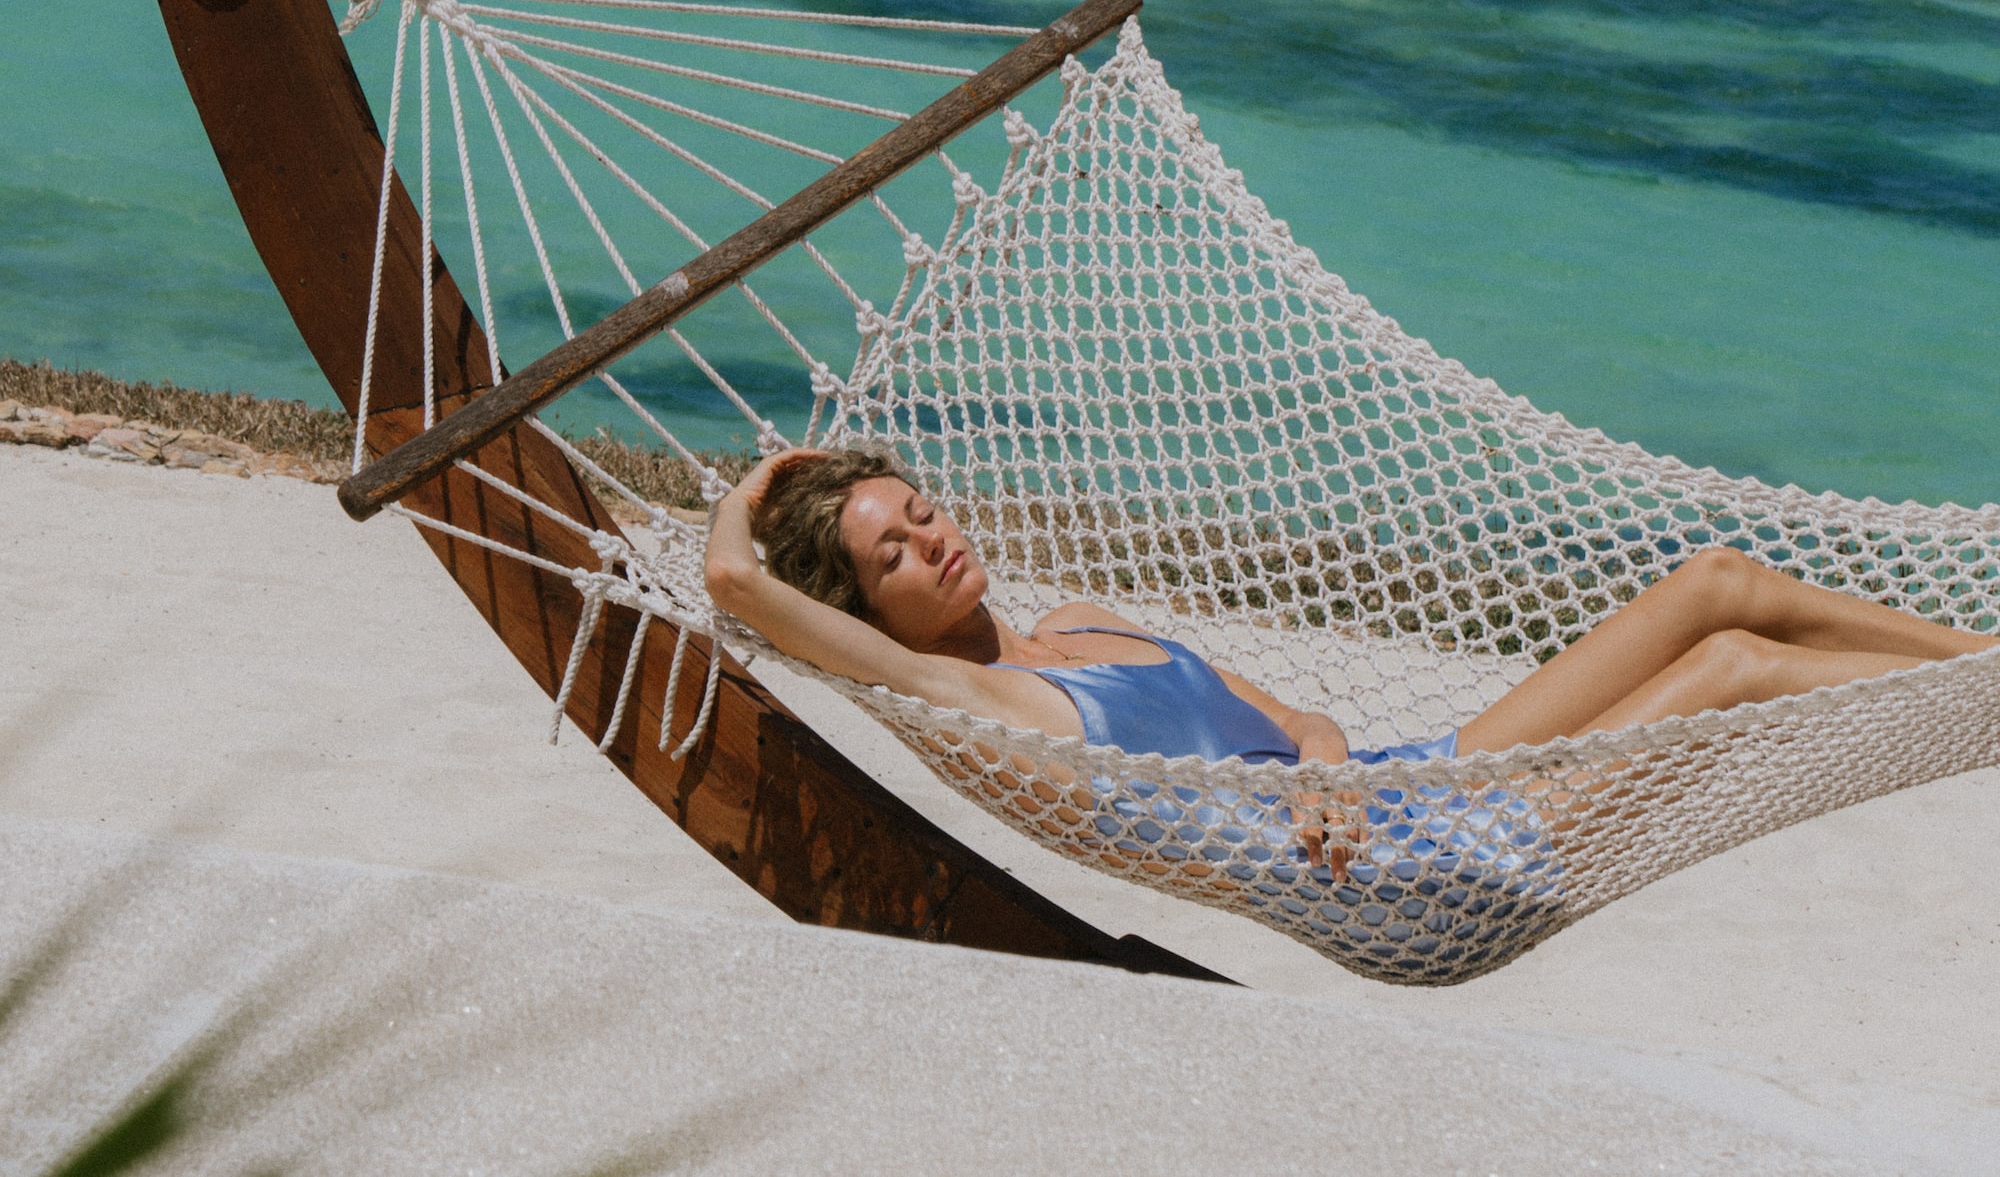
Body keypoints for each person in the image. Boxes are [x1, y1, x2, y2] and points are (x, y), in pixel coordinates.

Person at [704, 447, 1997, 768]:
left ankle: (1986, 660)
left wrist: (1321, 767)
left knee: (1723, 584)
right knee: (1731, 667)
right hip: (1404, 870)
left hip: (1395, 787)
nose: (932, 539)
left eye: (918, 510)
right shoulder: (981, 696)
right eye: (891, 555)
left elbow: (1304, 717)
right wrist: (755, 491)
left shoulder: (1095, 621)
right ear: (864, 610)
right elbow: (732, 582)